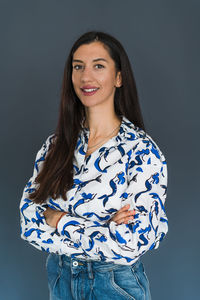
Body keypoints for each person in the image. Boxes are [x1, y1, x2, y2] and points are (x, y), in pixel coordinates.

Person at [19, 31, 168, 300]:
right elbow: (30, 226)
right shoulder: (55, 145)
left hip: (113, 284)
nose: (86, 77)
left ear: (119, 77)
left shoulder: (141, 152)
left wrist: (61, 220)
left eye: (99, 66)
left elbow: (130, 245)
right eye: (78, 67)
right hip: (61, 280)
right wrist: (104, 229)